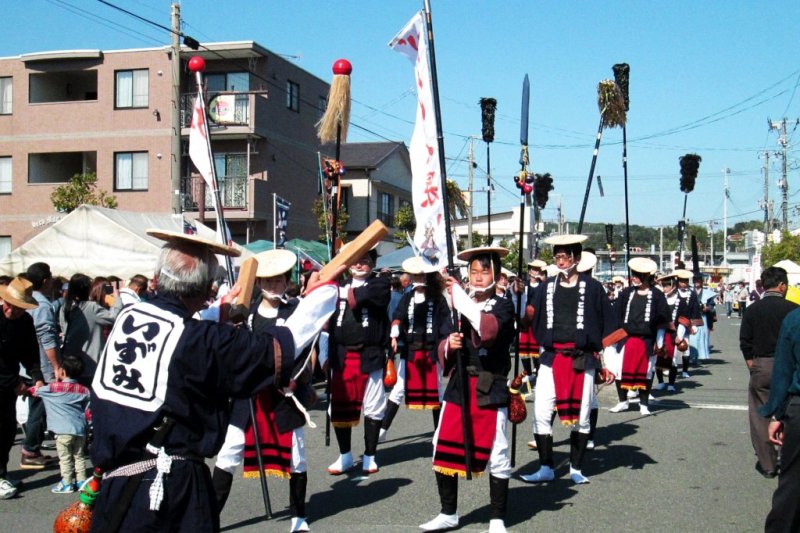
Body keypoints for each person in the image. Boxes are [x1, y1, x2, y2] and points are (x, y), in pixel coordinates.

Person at [88, 229, 342, 532]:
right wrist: (322, 295)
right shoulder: (201, 340)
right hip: (167, 490)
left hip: (114, 488)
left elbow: (181, 331)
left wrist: (219, 309)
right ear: (207, 288)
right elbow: (276, 350)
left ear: (156, 279)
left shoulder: (130, 317)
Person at [212, 249, 318, 532]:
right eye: (267, 281)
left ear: (286, 281)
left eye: (278, 280)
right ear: (258, 283)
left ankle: (299, 514)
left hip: (285, 395)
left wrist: (296, 379)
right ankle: (208, 517)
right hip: (249, 395)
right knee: (227, 454)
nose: (273, 285)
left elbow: (307, 354)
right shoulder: (244, 314)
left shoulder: (296, 311)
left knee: (297, 456)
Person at [420, 246, 516, 533]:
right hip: (460, 383)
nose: (477, 277)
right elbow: (439, 341)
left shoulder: (503, 305)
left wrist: (461, 300)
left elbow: (488, 331)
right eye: (473, 271)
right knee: (441, 444)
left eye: (484, 271)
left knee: (497, 450)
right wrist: (449, 343)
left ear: (497, 275)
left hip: (491, 383)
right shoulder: (455, 306)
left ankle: (497, 516)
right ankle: (448, 511)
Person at [519, 239, 616, 485]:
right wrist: (521, 305)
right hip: (551, 358)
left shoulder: (593, 288)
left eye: (564, 256)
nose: (560, 261)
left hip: (581, 359)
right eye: (557, 257)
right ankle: (545, 467)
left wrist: (609, 363)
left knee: (582, 416)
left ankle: (576, 468)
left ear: (576, 258)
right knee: (541, 412)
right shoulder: (546, 287)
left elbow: (608, 325)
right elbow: (530, 315)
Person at [323, 245, 391, 476]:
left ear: (372, 263)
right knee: (339, 407)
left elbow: (367, 298)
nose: (359, 264)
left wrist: (341, 290)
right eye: (355, 259)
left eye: (364, 259)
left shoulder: (380, 284)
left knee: (373, 406)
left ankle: (370, 456)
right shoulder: (338, 286)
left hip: (369, 354)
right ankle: (345, 455)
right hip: (341, 355)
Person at [381, 256, 451, 442]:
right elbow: (398, 315)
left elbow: (445, 323)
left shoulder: (437, 299)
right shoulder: (407, 297)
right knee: (398, 389)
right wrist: (395, 328)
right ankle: (382, 428)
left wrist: (447, 343)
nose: (418, 278)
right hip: (410, 350)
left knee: (437, 390)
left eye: (422, 275)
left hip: (430, 351)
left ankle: (440, 431)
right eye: (415, 275)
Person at [740, 266, 797, 479]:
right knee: (789, 413)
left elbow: (745, 342)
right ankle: (789, 458)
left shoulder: (752, 310)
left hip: (761, 365)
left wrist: (753, 366)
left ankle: (768, 464)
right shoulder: (793, 310)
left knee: (760, 415)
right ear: (782, 285)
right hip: (789, 366)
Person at [608, 257, 671, 416]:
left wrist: (660, 341)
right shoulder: (626, 293)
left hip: (647, 340)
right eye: (633, 274)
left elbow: (663, 320)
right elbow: (616, 315)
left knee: (647, 371)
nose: (634, 277)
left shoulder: (657, 295)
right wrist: (612, 338)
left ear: (646, 276)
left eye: (637, 275)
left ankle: (644, 404)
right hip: (626, 339)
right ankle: (623, 401)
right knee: (619, 370)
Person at [0, 277, 44, 499]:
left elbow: (30, 352)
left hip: (8, 384)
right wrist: (15, 383)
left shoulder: (25, 321)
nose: (12, 310)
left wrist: (36, 376)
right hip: (5, 379)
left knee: (7, 430)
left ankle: (2, 474)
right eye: (9, 305)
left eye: (18, 308)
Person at [760, 303, 800, 532]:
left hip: (798, 406)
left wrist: (777, 413)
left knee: (793, 482)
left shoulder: (795, 319)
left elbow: (784, 371)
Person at [31, 355, 90, 493]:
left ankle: (67, 483)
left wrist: (37, 385)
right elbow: (88, 411)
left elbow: (35, 391)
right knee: (79, 457)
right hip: (80, 429)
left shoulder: (51, 388)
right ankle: (82, 481)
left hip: (62, 431)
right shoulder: (84, 390)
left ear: (62, 372)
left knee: (65, 458)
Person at [22, 262, 60, 469]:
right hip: (42, 365)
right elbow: (47, 337)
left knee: (34, 406)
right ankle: (30, 449)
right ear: (46, 280)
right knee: (41, 407)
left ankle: (31, 448)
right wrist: (56, 365)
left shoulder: (27, 299)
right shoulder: (42, 304)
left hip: (28, 363)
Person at [59, 273, 118, 386]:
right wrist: (117, 299)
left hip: (69, 363)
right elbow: (115, 317)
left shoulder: (65, 307)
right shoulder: (91, 307)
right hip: (90, 364)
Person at [654, 269, 701, 391]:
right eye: (663, 285)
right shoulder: (659, 299)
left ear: (672, 286)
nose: (664, 288)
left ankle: (671, 384)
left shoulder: (680, 301)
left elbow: (683, 319)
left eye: (667, 285)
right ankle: (660, 381)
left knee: (673, 358)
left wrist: (679, 335)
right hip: (659, 331)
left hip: (674, 332)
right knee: (658, 356)